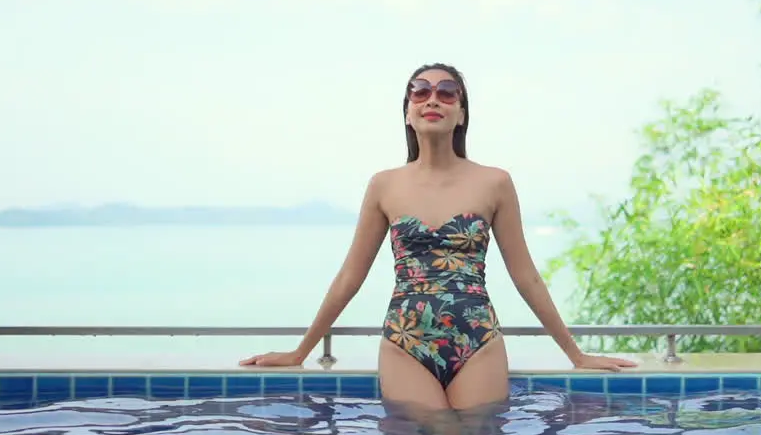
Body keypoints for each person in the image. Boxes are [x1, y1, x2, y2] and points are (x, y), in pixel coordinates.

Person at [239, 63, 637, 410]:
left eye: (447, 93)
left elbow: (525, 275)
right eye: (421, 92)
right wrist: (301, 351)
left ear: (461, 113)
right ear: (408, 113)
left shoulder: (494, 182)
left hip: (477, 338)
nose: (433, 100)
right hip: (405, 341)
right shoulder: (384, 185)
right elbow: (350, 276)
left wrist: (575, 353)